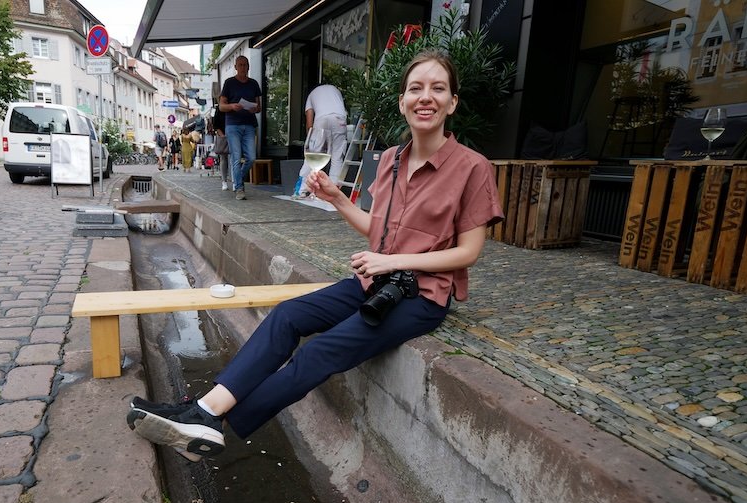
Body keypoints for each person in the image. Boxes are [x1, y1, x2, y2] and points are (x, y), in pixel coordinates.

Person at [127, 50, 504, 462]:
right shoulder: (391, 161)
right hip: (375, 280)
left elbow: (467, 253)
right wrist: (337, 199)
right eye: (415, 88)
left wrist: (394, 262)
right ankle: (201, 412)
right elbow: (376, 227)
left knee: (318, 352)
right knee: (288, 315)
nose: (425, 97)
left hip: (422, 296)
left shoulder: (473, 167)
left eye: (437, 89)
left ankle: (213, 425)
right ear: (403, 101)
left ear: (452, 102)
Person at [219, 55, 262, 201]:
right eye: (240, 65)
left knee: (251, 158)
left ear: (249, 67)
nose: (243, 67)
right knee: (236, 158)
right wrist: (232, 106)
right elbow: (221, 106)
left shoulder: (254, 84)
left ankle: (238, 180)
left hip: (249, 124)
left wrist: (254, 109)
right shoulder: (229, 83)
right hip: (233, 124)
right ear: (236, 67)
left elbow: (259, 106)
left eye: (245, 65)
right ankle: (239, 188)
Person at [296, 84, 348, 196]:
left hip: (322, 119)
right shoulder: (335, 90)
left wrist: (310, 141)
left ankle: (301, 191)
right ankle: (332, 192)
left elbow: (309, 123)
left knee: (312, 156)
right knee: (337, 158)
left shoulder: (311, 95)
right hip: (339, 119)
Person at [212, 106, 231, 190]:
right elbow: (215, 124)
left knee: (234, 158)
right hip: (223, 134)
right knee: (223, 157)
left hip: (234, 133)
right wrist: (222, 135)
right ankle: (224, 181)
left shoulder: (234, 105)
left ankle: (235, 182)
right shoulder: (219, 109)